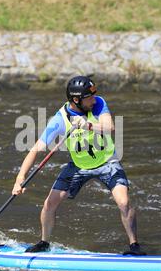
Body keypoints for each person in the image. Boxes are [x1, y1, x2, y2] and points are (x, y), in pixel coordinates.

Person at [12, 75, 145, 255]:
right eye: (88, 97)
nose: (93, 99)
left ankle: (134, 246)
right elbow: (36, 149)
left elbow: (110, 127)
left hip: (107, 162)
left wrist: (87, 125)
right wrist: (20, 179)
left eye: (93, 95)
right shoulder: (59, 120)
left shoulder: (98, 103)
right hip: (78, 165)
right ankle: (44, 242)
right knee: (49, 204)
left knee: (124, 202)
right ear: (76, 100)